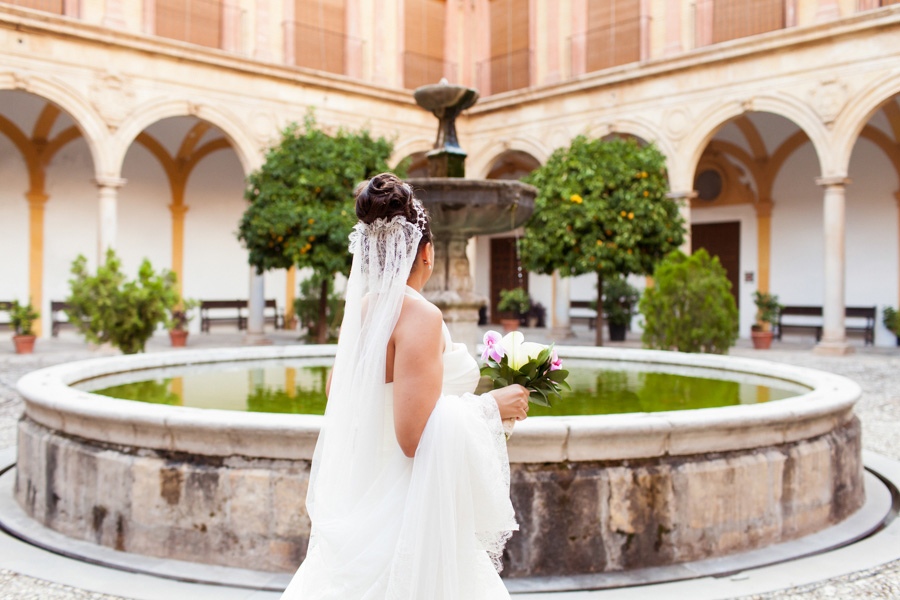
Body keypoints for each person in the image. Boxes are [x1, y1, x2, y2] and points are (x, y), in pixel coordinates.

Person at [281, 173, 530, 599]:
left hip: (369, 498)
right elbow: (414, 438)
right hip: (409, 506)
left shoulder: (364, 309)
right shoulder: (420, 315)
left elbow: (341, 401)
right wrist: (491, 406)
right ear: (427, 253)